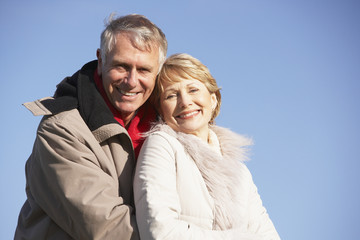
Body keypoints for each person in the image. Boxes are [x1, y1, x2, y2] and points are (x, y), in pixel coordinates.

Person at [15, 14, 167, 240]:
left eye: (144, 70)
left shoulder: (167, 128)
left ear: (158, 70)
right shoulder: (61, 130)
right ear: (101, 60)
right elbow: (106, 227)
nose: (132, 81)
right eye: (122, 66)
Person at [133, 53, 280, 239]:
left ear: (213, 99)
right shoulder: (162, 146)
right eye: (171, 95)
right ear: (161, 110)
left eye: (193, 90)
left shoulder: (240, 171)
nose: (185, 102)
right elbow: (159, 231)